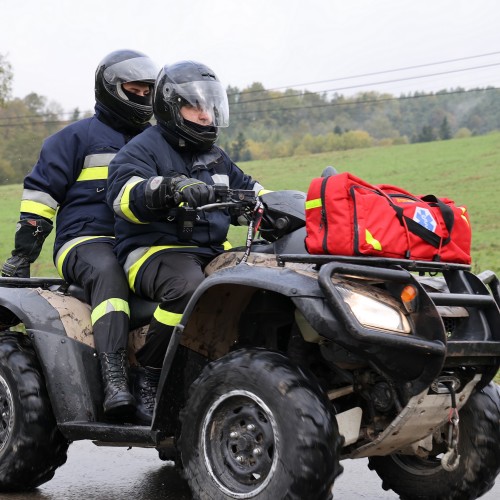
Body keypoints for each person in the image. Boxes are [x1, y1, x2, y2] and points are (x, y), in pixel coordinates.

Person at [106, 60, 267, 424]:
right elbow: (123, 197)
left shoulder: (215, 156)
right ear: (170, 106)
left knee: (258, 278)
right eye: (196, 106)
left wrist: (281, 205)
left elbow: (251, 191)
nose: (207, 115)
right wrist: (168, 188)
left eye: (210, 106)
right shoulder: (140, 150)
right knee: (188, 288)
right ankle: (148, 375)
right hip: (153, 251)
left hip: (209, 251)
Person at [1, 49, 159, 419]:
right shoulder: (73, 139)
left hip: (141, 241)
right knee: (108, 272)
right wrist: (22, 254)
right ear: (110, 89)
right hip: (85, 241)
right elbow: (41, 197)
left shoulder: (157, 142)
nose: (143, 97)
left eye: (148, 90)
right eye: (134, 89)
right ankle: (115, 377)